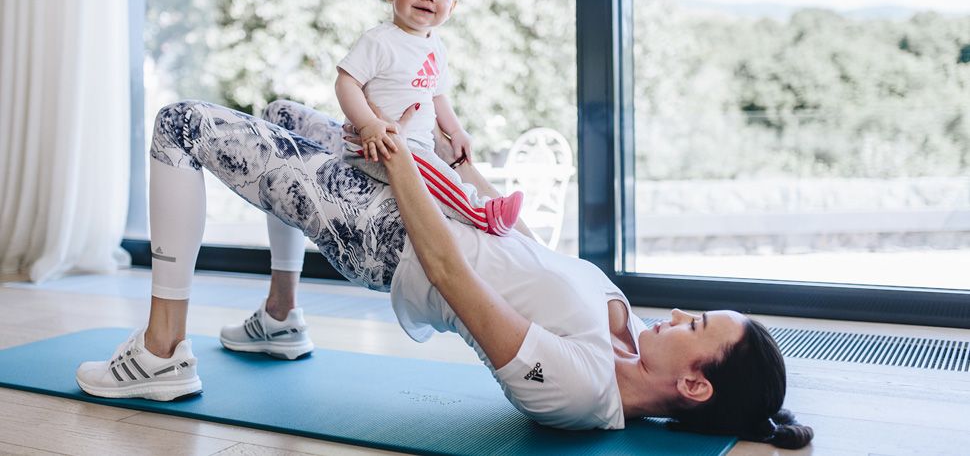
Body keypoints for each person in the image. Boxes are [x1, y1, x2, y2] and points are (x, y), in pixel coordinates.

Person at [75, 98, 813, 448]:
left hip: (386, 236)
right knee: (281, 112)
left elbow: (457, 281)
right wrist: (463, 164)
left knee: (180, 125)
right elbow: (516, 244)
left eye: (698, 327)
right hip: (427, 201)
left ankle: (162, 351)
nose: (682, 314)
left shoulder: (582, 388)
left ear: (694, 383)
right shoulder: (621, 320)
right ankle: (279, 318)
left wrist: (407, 179)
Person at [337, 0, 523, 237]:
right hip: (377, 147)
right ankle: (481, 213)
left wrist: (457, 132)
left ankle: (480, 207)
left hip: (418, 146)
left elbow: (437, 96)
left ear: (453, 6)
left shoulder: (435, 46)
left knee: (441, 172)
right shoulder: (380, 40)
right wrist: (368, 123)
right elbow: (346, 82)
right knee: (437, 175)